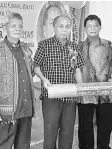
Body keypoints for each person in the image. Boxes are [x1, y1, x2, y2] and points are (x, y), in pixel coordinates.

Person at [0, 12, 35, 149]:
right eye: (13, 25)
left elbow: (30, 74)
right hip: (5, 112)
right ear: (5, 28)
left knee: (23, 146)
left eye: (20, 26)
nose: (17, 29)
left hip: (25, 109)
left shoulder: (26, 49)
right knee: (1, 146)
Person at [34, 15, 85, 149]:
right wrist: (43, 79)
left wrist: (81, 87)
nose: (64, 30)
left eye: (67, 26)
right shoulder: (44, 45)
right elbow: (36, 66)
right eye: (60, 26)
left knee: (67, 133)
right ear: (54, 27)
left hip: (70, 97)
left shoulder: (73, 47)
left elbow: (76, 69)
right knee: (50, 133)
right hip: (51, 96)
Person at [77, 14, 112, 149]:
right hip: (85, 94)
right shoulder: (79, 47)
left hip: (105, 93)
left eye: (95, 25)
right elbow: (75, 68)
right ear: (85, 28)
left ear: (100, 27)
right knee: (85, 128)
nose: (92, 28)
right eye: (89, 25)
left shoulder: (108, 45)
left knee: (105, 127)